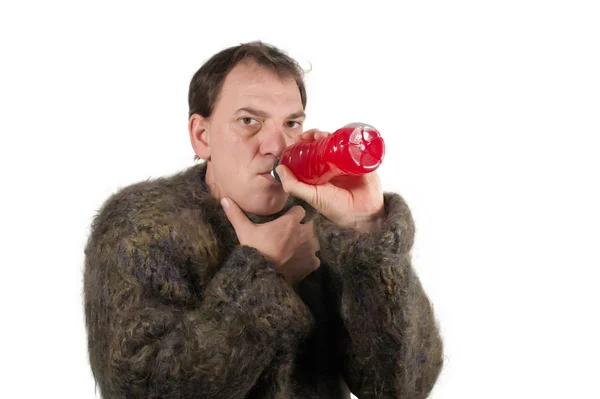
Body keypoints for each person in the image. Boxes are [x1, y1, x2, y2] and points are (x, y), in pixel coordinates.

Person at [83, 41, 444, 399]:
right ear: (202, 135)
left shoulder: (324, 219)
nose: (277, 145)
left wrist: (367, 235)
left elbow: (401, 388)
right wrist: (268, 272)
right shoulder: (140, 224)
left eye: (291, 123)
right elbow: (141, 390)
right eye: (249, 121)